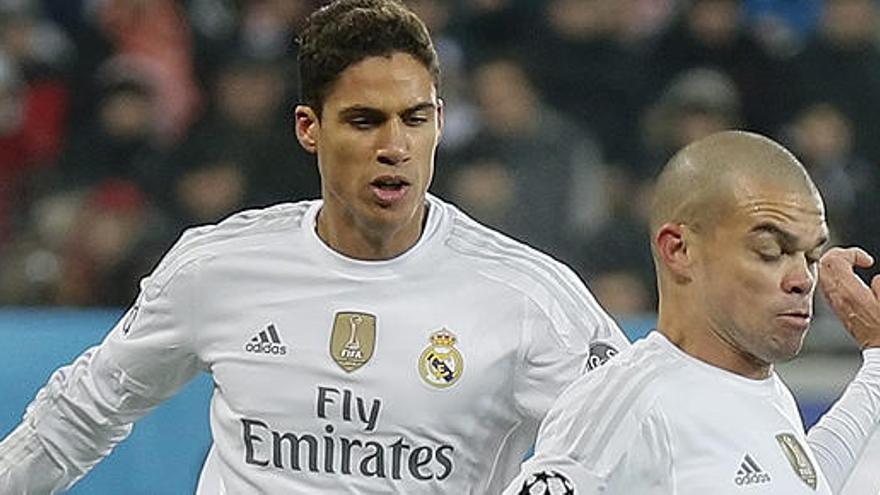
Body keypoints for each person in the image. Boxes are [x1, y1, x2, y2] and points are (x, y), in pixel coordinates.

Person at [0, 0, 628, 493]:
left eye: (415, 119)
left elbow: (637, 447)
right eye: (364, 120)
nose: (395, 146)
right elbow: (78, 415)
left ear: (439, 120)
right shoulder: (219, 268)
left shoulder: (528, 297)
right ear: (309, 127)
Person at [504, 130, 880, 494]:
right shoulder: (628, 406)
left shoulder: (759, 388)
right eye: (770, 251)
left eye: (811, 257)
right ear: (679, 250)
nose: (802, 279)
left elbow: (801, 480)